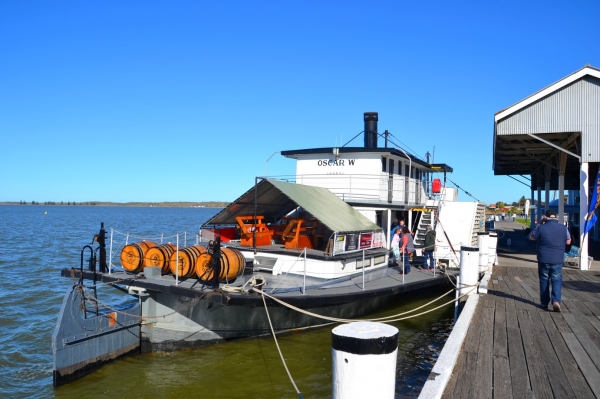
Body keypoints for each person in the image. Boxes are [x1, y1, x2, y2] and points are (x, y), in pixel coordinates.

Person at [529, 209, 571, 312]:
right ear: (555, 217)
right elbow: (568, 241)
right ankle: (556, 301)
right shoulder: (563, 228)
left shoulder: (541, 228)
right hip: (558, 258)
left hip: (544, 258)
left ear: (545, 217)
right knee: (556, 280)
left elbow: (531, 237)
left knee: (544, 280)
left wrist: (539, 224)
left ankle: (544, 303)